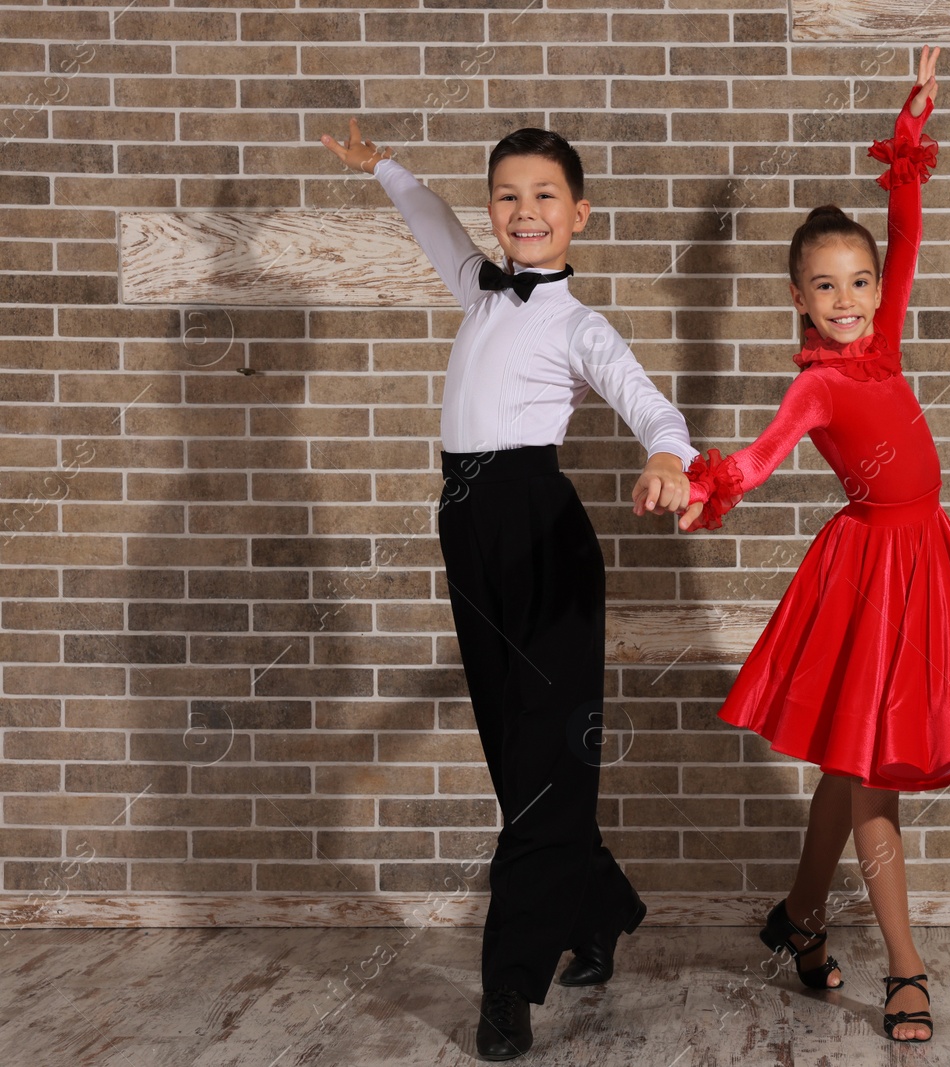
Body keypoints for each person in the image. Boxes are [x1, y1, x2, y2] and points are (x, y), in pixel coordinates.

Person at [676, 46, 950, 1044]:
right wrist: (707, 481)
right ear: (798, 301)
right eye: (825, 286)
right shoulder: (815, 383)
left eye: (859, 280)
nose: (848, 298)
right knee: (873, 772)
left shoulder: (884, 344)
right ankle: (905, 965)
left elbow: (909, 225)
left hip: (926, 559)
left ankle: (797, 917)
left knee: (849, 769)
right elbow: (760, 458)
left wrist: (911, 133)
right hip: (866, 577)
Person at [321, 119, 696, 1061]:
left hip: (542, 534)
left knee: (546, 767)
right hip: (468, 527)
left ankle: (508, 986)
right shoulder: (477, 286)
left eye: (543, 197)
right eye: (507, 195)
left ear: (579, 215)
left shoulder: (577, 321)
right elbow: (433, 224)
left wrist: (666, 455)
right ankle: (600, 904)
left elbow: (645, 397)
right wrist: (388, 169)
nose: (523, 212)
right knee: (515, 755)